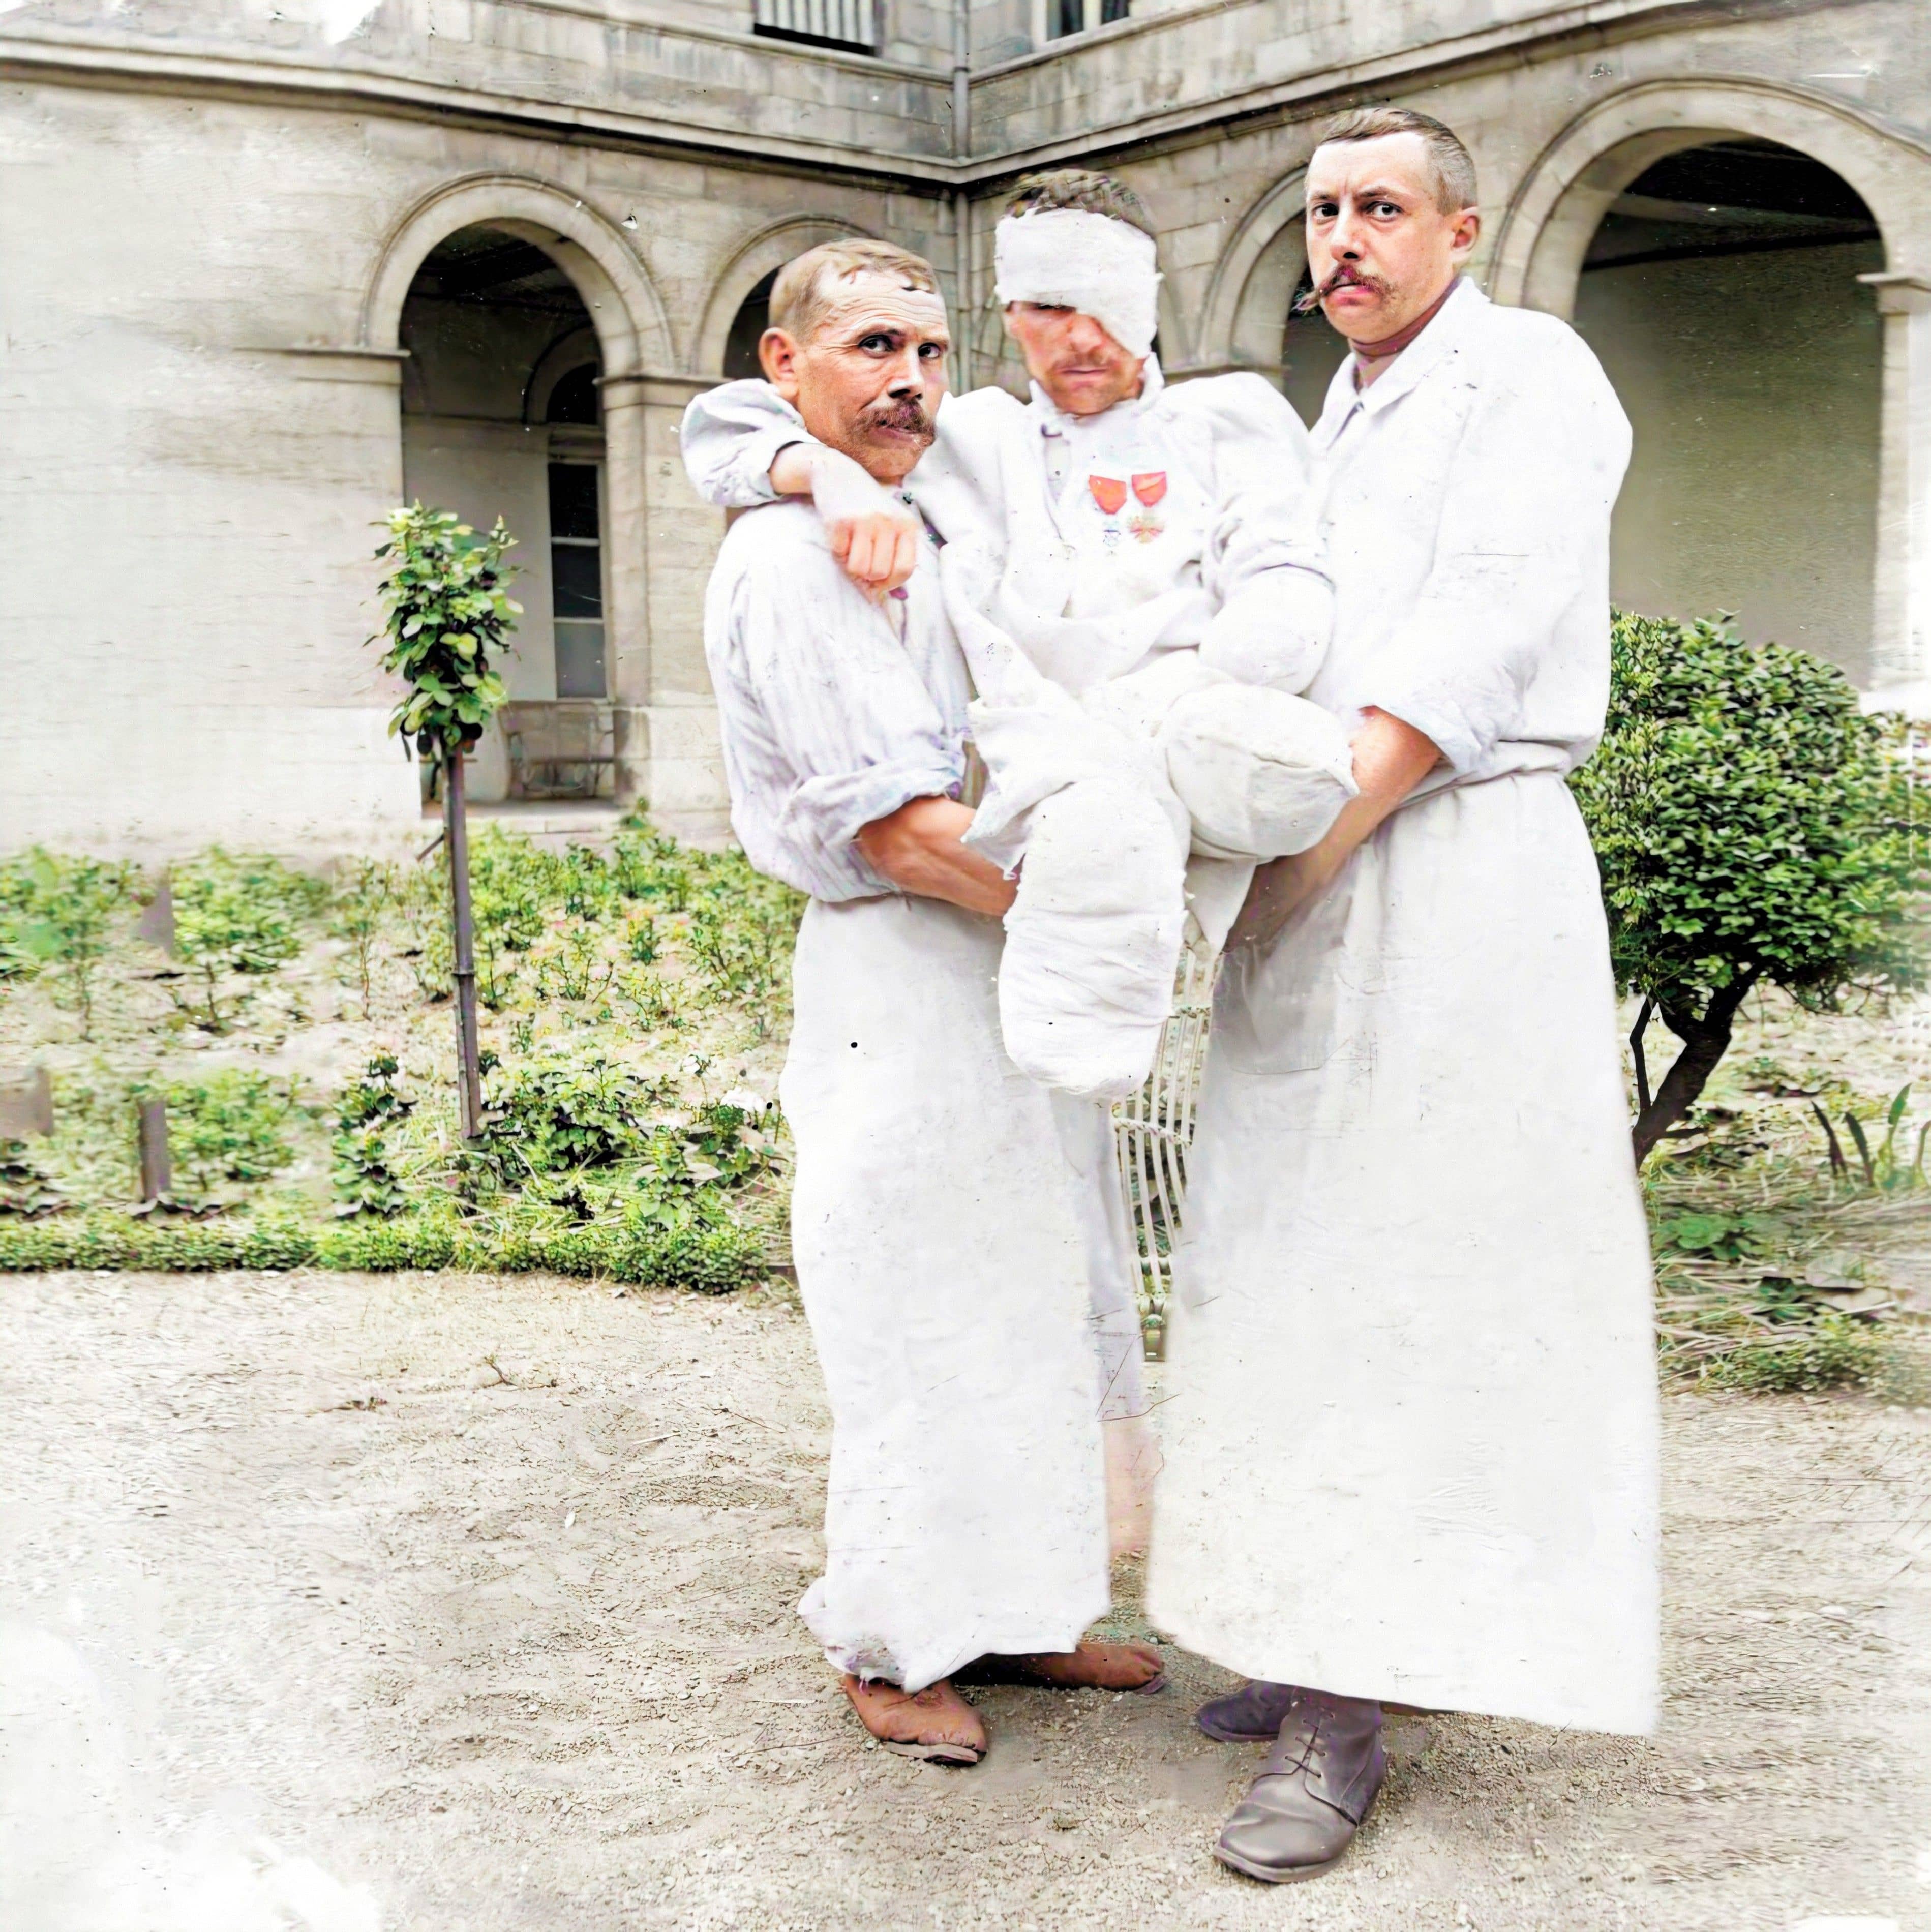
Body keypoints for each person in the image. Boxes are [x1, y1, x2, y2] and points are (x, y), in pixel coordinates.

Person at [1145, 106, 1662, 1883]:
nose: (1342, 240)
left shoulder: (1532, 374)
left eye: (1380, 207)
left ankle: (1349, 1719)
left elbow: (1478, 633)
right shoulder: (1332, 414)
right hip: (1325, 863)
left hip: (1452, 862)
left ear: (1463, 226)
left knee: (1406, 1271)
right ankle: (1313, 1630)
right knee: (1285, 1264)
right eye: (1322, 212)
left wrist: (1315, 845)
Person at [682, 168, 1340, 1540]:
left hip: (1152, 812)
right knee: (921, 1253)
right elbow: (733, 419)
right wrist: (823, 470)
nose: (1075, 342)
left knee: (1048, 1243)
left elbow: (1288, 578)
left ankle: (1040, 1583)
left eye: (1100, 308)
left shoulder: (1223, 420)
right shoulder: (970, 439)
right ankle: (903, 1625)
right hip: (1004, 879)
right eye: (1040, 309)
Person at [703, 235, 1162, 1766]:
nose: (907, 383)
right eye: (868, 351)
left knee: (1024, 1287)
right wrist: (1114, 909)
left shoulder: (902, 513)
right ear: (786, 367)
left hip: (992, 955)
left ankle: (1021, 1609)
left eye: (928, 353)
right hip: (896, 967)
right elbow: (894, 826)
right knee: (911, 1308)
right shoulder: (790, 556)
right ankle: (893, 1640)